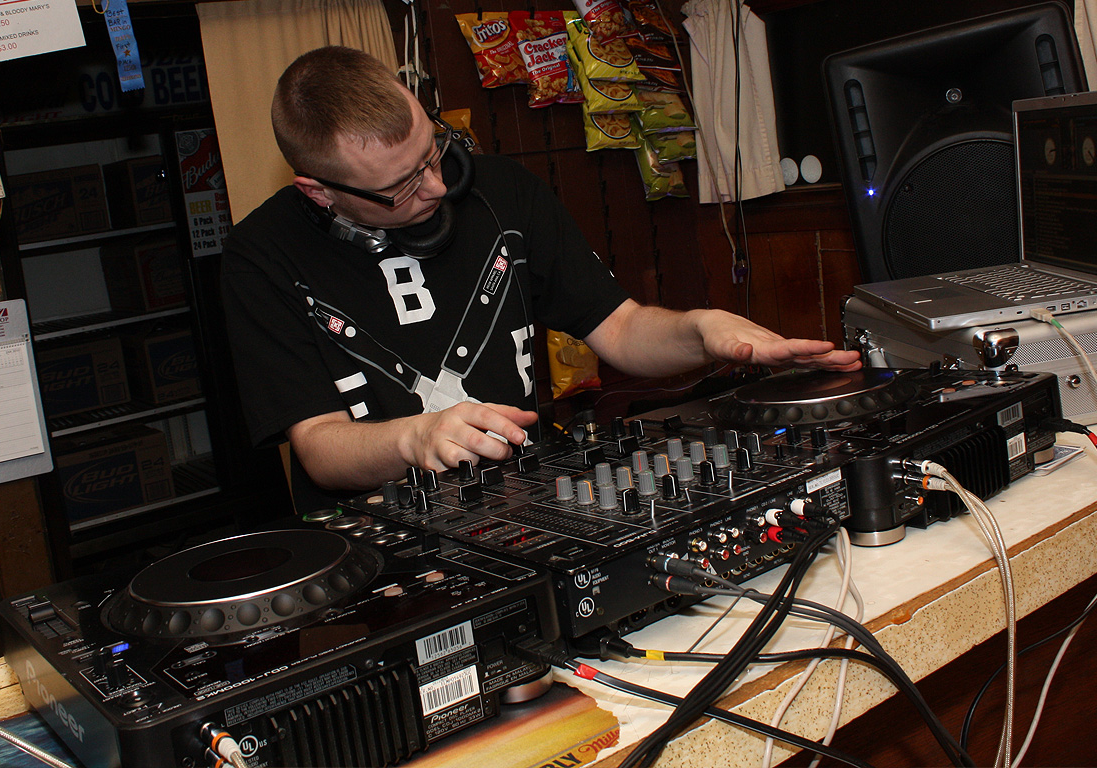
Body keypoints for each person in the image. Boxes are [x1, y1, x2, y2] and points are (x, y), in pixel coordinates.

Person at [221, 45, 861, 515]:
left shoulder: (504, 192)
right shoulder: (262, 258)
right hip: (384, 550)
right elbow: (319, 446)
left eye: (432, 153)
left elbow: (621, 328)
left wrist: (703, 330)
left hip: (528, 505)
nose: (438, 187)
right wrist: (415, 436)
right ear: (319, 191)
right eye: (402, 187)